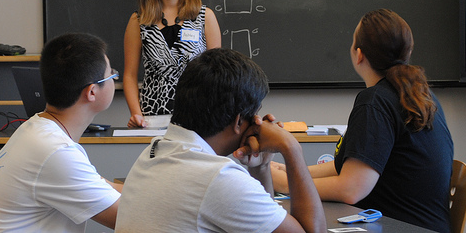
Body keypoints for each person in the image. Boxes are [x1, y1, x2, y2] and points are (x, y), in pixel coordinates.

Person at [271, 9, 454, 232]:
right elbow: (352, 167)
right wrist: (292, 170)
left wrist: (285, 183)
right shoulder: (420, 96)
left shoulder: (375, 101)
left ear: (359, 55)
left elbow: (351, 188)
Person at [115, 48, 326, 232]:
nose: (259, 122)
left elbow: (263, 227)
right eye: (255, 115)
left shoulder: (153, 153)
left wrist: (261, 167)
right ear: (237, 122)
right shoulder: (218, 178)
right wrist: (291, 147)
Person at [0, 33, 122, 232]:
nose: (114, 77)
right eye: (111, 73)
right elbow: (131, 218)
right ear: (92, 92)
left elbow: (104, 186)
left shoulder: (36, 128)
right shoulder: (55, 152)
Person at [123, 0, 221, 128]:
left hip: (198, 118)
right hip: (152, 118)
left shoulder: (205, 17)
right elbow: (129, 75)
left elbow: (216, 74)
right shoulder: (139, 20)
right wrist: (137, 114)